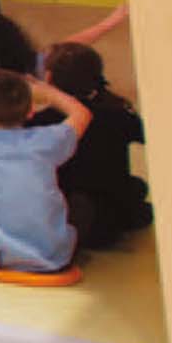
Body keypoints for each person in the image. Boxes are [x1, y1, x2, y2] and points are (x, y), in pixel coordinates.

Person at [0, 69, 92, 278]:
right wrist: (48, 93)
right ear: (31, 111)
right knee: (82, 204)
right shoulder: (47, 140)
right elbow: (81, 113)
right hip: (54, 257)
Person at [37, 41, 152, 248]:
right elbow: (149, 137)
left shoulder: (42, 119)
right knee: (137, 189)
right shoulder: (118, 114)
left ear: (49, 78)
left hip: (64, 211)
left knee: (135, 188)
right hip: (108, 219)